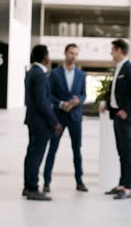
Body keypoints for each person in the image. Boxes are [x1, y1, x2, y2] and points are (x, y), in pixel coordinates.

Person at [100, 39, 131, 200]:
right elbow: (115, 91)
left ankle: (128, 188)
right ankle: (122, 184)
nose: (111, 53)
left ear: (119, 50)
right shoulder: (120, 68)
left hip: (124, 116)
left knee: (127, 152)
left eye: (112, 50)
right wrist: (106, 103)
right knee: (122, 152)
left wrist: (126, 110)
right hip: (116, 114)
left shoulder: (128, 67)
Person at [43, 43, 88, 193]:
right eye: (71, 53)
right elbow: (49, 96)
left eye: (76, 53)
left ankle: (79, 181)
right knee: (52, 149)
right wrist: (61, 104)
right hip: (59, 117)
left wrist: (78, 101)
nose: (73, 56)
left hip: (75, 117)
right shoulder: (54, 74)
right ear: (65, 53)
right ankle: (46, 182)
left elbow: (83, 94)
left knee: (77, 150)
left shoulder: (81, 75)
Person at [23, 45, 62, 201]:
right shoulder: (39, 75)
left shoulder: (32, 72)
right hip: (40, 122)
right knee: (36, 155)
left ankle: (28, 186)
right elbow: (42, 102)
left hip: (33, 119)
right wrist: (54, 122)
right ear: (45, 57)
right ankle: (32, 188)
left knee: (31, 154)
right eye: (48, 54)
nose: (49, 58)